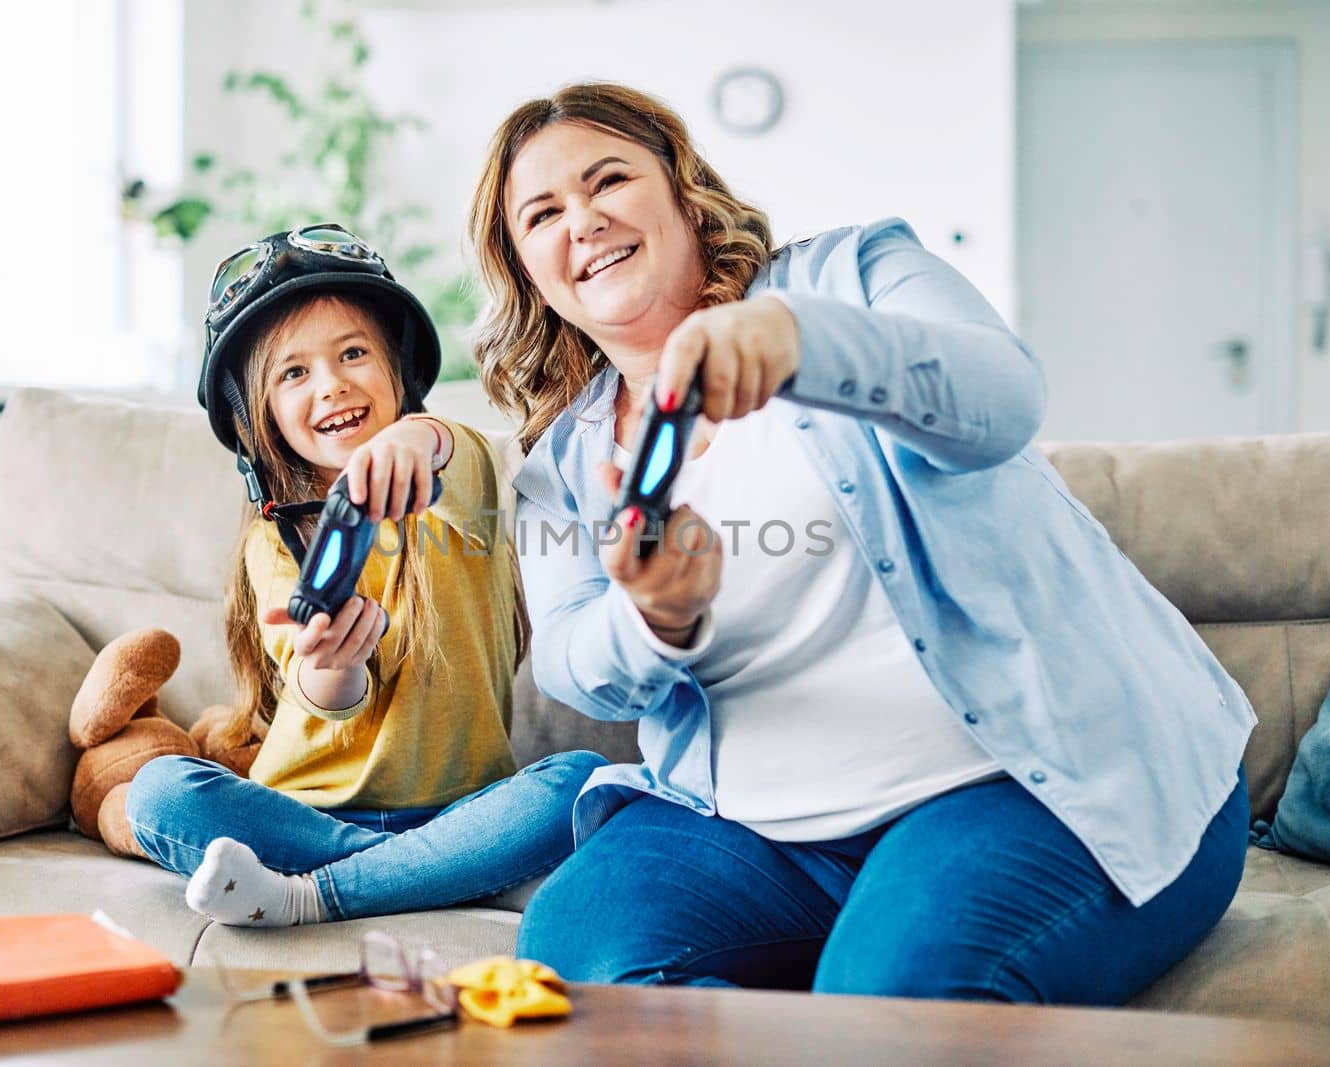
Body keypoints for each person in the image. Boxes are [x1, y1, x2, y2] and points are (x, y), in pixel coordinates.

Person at [466, 82, 1254, 1002]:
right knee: (578, 954)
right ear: (528, 272)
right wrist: (655, 617)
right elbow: (568, 657)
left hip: (1021, 789)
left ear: (684, 192)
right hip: (757, 833)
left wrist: (803, 342)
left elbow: (1004, 398)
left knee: (885, 1003)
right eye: (545, 214)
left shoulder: (853, 275)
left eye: (610, 180)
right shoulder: (565, 459)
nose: (586, 220)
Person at [125, 223, 607, 927]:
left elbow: (436, 443)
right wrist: (332, 666)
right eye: (294, 373)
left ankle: (313, 894)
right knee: (158, 792)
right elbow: (324, 701)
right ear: (259, 416)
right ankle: (444, 872)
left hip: (462, 804)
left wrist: (412, 438)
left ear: (399, 372)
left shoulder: (458, 468)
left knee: (581, 781)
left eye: (354, 353)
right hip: (304, 808)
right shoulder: (272, 539)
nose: (333, 384)